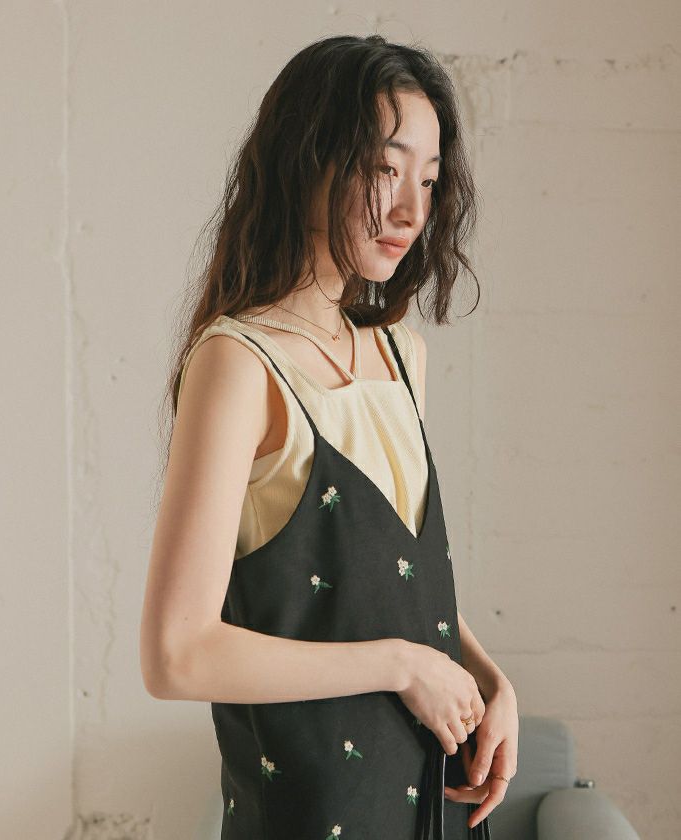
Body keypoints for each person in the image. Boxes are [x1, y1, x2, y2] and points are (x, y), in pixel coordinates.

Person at [140, 33, 518, 839]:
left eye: (428, 178)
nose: (412, 210)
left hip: (436, 802)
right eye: (385, 169)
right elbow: (176, 654)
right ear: (306, 159)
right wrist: (403, 665)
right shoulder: (239, 363)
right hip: (316, 813)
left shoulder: (400, 354)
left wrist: (488, 679)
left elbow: (390, 577)